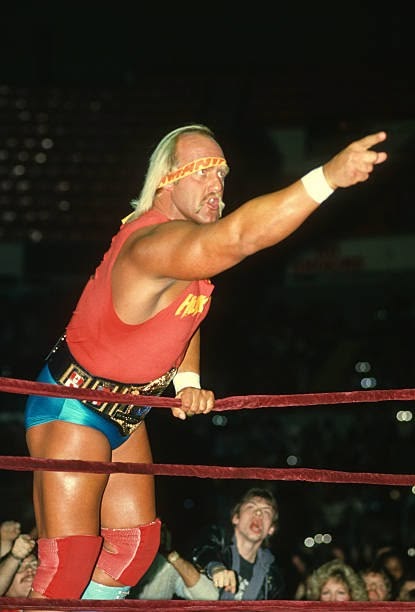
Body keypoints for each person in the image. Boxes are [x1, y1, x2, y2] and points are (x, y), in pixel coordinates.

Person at [24, 123, 387, 604]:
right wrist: (328, 178)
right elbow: (239, 237)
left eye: (222, 173)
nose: (216, 184)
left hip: (126, 412)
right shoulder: (151, 244)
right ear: (166, 180)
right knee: (68, 564)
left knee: (134, 550)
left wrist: (188, 379)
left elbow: (185, 318)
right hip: (74, 403)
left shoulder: (185, 257)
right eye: (201, 171)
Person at [190, 487, 285, 600]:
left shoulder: (273, 579)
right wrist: (215, 567)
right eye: (251, 506)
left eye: (266, 511)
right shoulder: (216, 541)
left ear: (271, 529)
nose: (259, 513)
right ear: (236, 518)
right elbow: (203, 549)